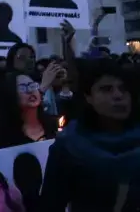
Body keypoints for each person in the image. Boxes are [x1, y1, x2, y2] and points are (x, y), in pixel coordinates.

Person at [39, 59, 140, 211]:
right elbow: (51, 205)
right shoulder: (69, 146)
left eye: (123, 88)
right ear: (88, 97)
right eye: (106, 89)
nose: (118, 95)